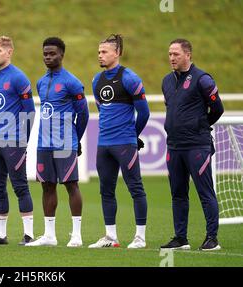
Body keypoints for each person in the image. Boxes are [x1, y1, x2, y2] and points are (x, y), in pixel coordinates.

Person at [160, 39, 224, 251]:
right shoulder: (166, 81)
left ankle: (212, 238)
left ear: (187, 55)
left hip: (197, 145)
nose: (171, 58)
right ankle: (180, 238)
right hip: (174, 146)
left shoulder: (203, 79)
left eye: (176, 54)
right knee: (178, 193)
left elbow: (217, 109)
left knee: (205, 192)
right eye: (169, 54)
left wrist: (199, 125)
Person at [26, 37, 89, 247]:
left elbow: (84, 115)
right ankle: (49, 236)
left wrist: (75, 139)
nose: (48, 57)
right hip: (44, 143)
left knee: (71, 185)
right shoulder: (41, 81)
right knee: (47, 186)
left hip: (65, 143)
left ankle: (77, 236)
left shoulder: (72, 82)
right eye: (45, 53)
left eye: (52, 53)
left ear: (62, 54)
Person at [89, 34, 150, 249]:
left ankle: (140, 238)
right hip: (103, 144)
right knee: (106, 189)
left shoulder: (130, 78)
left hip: (125, 143)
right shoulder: (96, 80)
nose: (100, 55)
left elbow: (144, 113)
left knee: (135, 188)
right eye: (99, 52)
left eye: (104, 52)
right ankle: (110, 237)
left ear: (117, 53)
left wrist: (133, 135)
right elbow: (101, 109)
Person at [0, 36, 36, 245]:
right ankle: (0, 234)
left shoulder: (19, 78)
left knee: (20, 186)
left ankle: (29, 235)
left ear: (9, 52)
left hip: (14, 141)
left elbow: (30, 112)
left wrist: (24, 140)